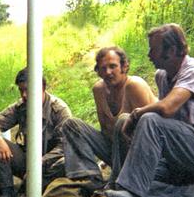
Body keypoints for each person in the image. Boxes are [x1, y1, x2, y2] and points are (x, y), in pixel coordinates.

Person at [105, 23, 194, 197]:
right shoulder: (162, 76)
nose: (149, 55)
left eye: (153, 50)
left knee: (149, 119)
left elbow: (166, 108)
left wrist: (137, 114)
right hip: (183, 153)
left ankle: (132, 194)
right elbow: (170, 121)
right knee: (124, 123)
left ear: (171, 50)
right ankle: (187, 191)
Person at [62, 46, 157, 188]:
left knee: (124, 120)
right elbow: (106, 130)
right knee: (71, 125)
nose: (108, 72)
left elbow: (150, 133)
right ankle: (90, 179)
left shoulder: (135, 85)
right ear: (98, 71)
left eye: (113, 66)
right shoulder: (98, 90)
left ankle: (121, 182)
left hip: (142, 157)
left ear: (124, 66)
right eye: (103, 68)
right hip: (116, 153)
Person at [0, 68, 73, 197]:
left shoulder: (59, 110)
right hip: (28, 160)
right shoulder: (20, 107)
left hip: (51, 163)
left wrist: (38, 165)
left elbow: (64, 146)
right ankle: (7, 193)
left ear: (42, 88)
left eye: (28, 90)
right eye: (21, 90)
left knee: (67, 163)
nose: (24, 95)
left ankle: (26, 195)